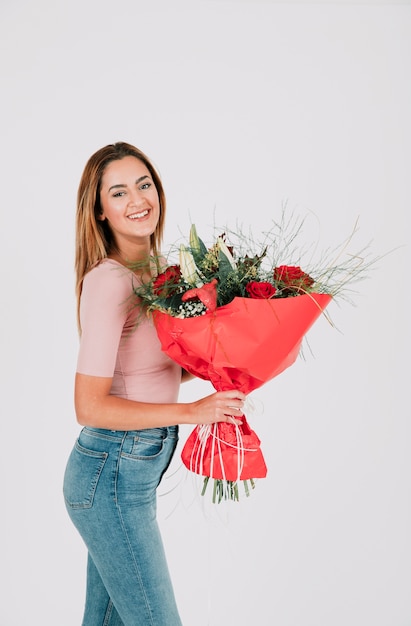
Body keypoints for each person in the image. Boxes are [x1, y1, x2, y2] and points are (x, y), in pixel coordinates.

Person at [63, 142, 245, 625]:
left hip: (129, 471)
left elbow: (156, 369)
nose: (137, 199)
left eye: (144, 184)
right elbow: (89, 406)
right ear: (99, 211)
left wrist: (230, 360)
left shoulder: (159, 272)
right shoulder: (109, 281)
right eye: (118, 192)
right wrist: (193, 412)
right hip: (110, 474)